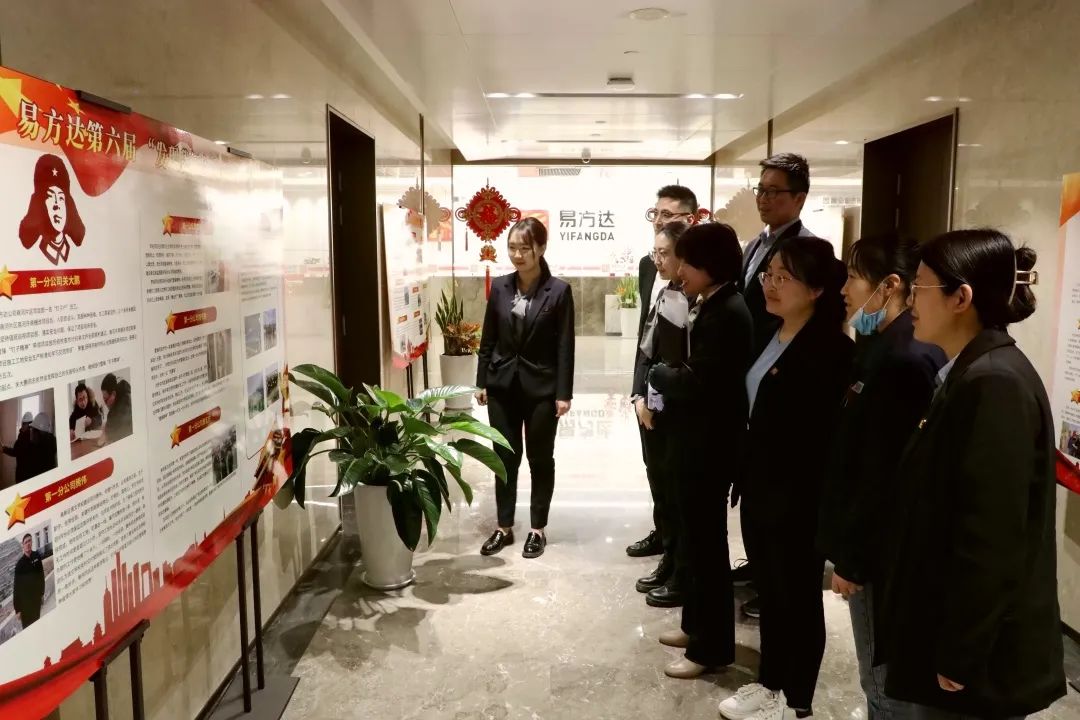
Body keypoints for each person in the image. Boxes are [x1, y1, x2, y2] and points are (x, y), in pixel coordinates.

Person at [878, 229, 1066, 720]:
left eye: (920, 287)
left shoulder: (995, 381)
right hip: (950, 632)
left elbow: (991, 535)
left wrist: (960, 651)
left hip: (977, 659)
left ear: (960, 298)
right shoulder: (971, 369)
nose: (909, 299)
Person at [722, 238, 852, 720]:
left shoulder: (832, 351)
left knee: (797, 598)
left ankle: (796, 699)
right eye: (768, 274)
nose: (770, 285)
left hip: (798, 498)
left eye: (784, 277)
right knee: (772, 594)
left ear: (816, 290)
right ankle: (770, 683)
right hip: (760, 488)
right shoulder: (770, 333)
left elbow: (823, 440)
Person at [816, 234, 945, 720]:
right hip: (880, 544)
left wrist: (853, 559)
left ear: (890, 285)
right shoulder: (885, 345)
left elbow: (884, 472)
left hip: (880, 552)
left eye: (853, 276)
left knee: (881, 677)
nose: (843, 289)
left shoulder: (904, 358)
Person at [647, 223, 752, 678]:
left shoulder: (729, 311)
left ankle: (710, 650)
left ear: (711, 264)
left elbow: (700, 381)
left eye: (688, 262)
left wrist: (660, 375)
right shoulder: (710, 302)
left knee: (708, 548)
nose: (680, 270)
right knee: (694, 541)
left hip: (709, 448)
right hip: (693, 442)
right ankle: (695, 627)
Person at [734, 153, 816, 618]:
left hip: (781, 374)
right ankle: (759, 570)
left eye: (774, 191)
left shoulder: (807, 250)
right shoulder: (754, 245)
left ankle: (774, 585)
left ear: (799, 198)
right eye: (760, 189)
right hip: (754, 374)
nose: (763, 199)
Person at [476, 217, 575, 559]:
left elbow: (565, 346)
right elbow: (488, 338)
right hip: (502, 384)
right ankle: (503, 526)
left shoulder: (558, 291)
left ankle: (537, 528)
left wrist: (563, 393)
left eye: (524, 248)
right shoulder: (501, 287)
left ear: (541, 249)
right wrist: (481, 381)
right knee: (504, 457)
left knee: (540, 458)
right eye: (512, 248)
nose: (517, 255)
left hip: (542, 388)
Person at [627, 184, 700, 559]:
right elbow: (646, 332)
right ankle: (664, 534)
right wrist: (638, 393)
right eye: (655, 213)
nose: (659, 220)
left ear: (691, 219)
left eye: (668, 214)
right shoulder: (647, 265)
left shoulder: (700, 280)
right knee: (654, 467)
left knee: (677, 476)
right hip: (648, 382)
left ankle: (677, 551)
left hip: (679, 390)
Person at [631, 221, 691, 608]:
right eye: (655, 252)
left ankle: (681, 568)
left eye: (664, 253)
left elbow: (680, 362)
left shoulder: (696, 300)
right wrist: (639, 395)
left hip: (676, 412)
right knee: (660, 488)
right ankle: (670, 558)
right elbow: (645, 347)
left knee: (677, 494)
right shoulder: (663, 290)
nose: (658, 260)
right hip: (650, 405)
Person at [18, 154, 87, 266]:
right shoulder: (34, 254)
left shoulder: (79, 253)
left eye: (61, 198)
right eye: (50, 197)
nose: (57, 205)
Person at [13, 534, 46, 628]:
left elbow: (41, 576)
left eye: (29, 541)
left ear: (32, 542)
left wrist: (42, 594)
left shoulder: (37, 556)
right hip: (25, 604)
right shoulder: (19, 565)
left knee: (37, 622)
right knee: (28, 627)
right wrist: (17, 609)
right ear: (22, 545)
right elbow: (16, 588)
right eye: (26, 542)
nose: (28, 544)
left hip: (36, 600)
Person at [3, 413, 36, 484]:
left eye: (24, 424)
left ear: (29, 425)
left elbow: (15, 452)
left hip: (24, 473)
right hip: (25, 472)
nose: (22, 425)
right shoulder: (28, 435)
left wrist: (4, 449)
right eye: (22, 423)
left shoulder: (26, 437)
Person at [100, 374, 133, 444]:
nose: (105, 403)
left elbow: (111, 434)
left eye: (106, 399)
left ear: (113, 394)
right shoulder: (126, 393)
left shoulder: (122, 406)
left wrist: (105, 429)